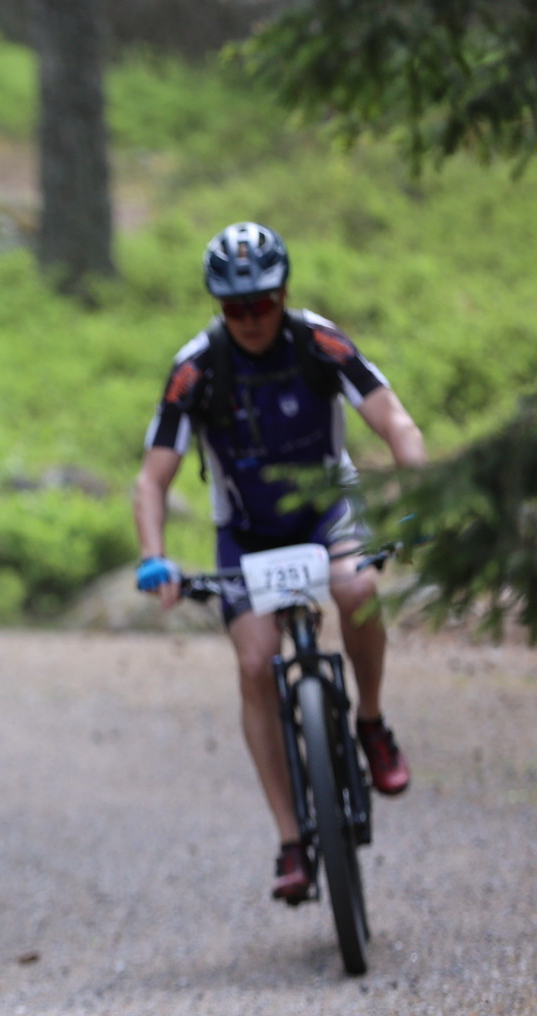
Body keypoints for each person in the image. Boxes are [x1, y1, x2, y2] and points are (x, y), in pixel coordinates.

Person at [132, 221, 426, 903]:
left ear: (283, 294)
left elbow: (397, 423)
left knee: (357, 590)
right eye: (235, 307)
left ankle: (371, 722)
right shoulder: (197, 368)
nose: (250, 318)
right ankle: (292, 840)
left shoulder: (319, 342)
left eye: (261, 303)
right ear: (219, 307)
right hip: (247, 531)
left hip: (327, 511)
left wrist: (417, 503)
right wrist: (154, 558)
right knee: (254, 663)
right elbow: (152, 479)